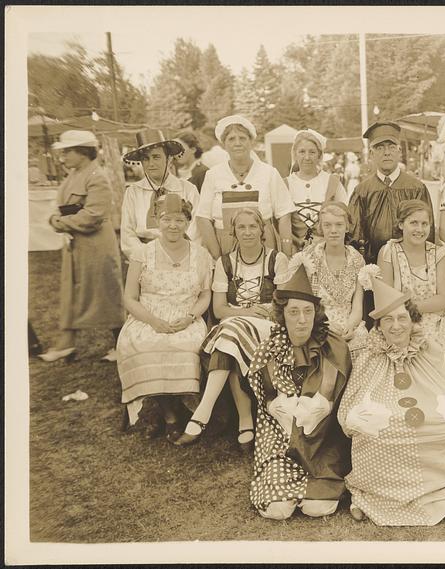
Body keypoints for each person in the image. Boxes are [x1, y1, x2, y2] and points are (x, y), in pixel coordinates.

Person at [338, 276, 445, 526]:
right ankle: (368, 498)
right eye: (387, 320)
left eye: (402, 318)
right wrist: (354, 416)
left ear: (413, 321)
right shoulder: (370, 355)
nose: (396, 326)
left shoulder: (428, 346)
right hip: (383, 401)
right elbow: (353, 396)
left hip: (427, 399)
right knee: (377, 427)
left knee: (443, 425)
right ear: (378, 326)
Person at [172, 208, 289, 448]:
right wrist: (246, 312)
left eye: (252, 226)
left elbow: (283, 306)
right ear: (233, 232)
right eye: (241, 227)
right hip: (235, 328)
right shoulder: (225, 262)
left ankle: (202, 415)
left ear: (262, 229)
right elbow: (218, 310)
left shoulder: (277, 259)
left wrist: (247, 313)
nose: (247, 232)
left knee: (230, 335)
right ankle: (245, 421)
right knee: (232, 336)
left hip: (267, 328)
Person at [247, 265, 352, 520]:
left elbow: (335, 390)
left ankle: (314, 488)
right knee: (277, 511)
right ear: (283, 315)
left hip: (323, 442)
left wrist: (323, 404)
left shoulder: (332, 345)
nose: (302, 320)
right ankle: (282, 486)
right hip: (281, 440)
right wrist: (273, 405)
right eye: (294, 312)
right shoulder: (271, 347)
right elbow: (262, 391)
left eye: (308, 311)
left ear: (316, 314)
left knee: (318, 508)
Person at [116, 194, 213, 436]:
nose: (172, 225)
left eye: (179, 220)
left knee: (187, 346)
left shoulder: (201, 254)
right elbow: (129, 298)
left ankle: (181, 410)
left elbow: (205, 295)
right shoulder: (142, 253)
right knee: (145, 344)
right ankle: (169, 415)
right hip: (147, 316)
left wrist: (190, 317)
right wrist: (153, 321)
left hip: (185, 317)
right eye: (166, 219)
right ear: (157, 221)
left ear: (188, 222)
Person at [40, 130, 125, 362]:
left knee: (105, 292)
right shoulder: (74, 176)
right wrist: (56, 219)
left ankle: (121, 343)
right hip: (76, 245)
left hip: (96, 245)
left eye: (68, 151)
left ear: (84, 152)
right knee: (72, 291)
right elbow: (61, 209)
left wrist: (60, 223)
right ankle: (67, 342)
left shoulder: (97, 176)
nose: (63, 156)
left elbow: (93, 216)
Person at [195, 115, 296, 260]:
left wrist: (286, 256)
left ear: (251, 142)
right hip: (225, 246)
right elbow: (203, 217)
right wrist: (218, 258)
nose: (237, 143)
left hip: (264, 244)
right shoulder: (213, 175)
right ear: (224, 145)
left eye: (242, 138)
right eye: (231, 139)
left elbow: (284, 214)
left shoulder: (269, 173)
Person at [348, 121, 434, 265]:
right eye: (380, 148)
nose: (386, 152)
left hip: (411, 264)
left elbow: (426, 231)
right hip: (372, 265)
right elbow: (355, 234)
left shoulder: (416, 188)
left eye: (392, 147)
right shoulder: (362, 191)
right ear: (371, 154)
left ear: (399, 152)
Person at [284, 202, 368, 348]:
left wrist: (350, 326)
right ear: (321, 227)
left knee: (361, 343)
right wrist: (325, 324)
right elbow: (302, 304)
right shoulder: (308, 257)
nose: (333, 230)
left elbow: (357, 307)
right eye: (327, 225)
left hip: (349, 325)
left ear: (347, 227)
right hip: (316, 324)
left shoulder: (357, 259)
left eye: (339, 225)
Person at [377, 199, 445, 349]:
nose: (419, 229)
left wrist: (411, 306)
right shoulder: (388, 252)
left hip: (436, 325)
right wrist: (407, 314)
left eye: (424, 224)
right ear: (401, 224)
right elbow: (387, 301)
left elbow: (444, 300)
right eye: (414, 223)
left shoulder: (439, 254)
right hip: (399, 323)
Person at [120, 130, 201, 262]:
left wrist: (181, 257)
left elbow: (195, 230)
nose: (151, 163)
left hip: (181, 257)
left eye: (156, 157)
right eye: (146, 159)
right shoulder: (133, 192)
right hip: (144, 258)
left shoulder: (187, 189)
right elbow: (127, 233)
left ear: (169, 159)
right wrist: (146, 257)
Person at [284, 129, 348, 251]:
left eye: (312, 152)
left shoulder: (332, 182)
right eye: (302, 152)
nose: (307, 157)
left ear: (319, 155)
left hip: (329, 252)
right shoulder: (285, 184)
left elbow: (345, 218)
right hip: (294, 254)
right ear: (295, 154)